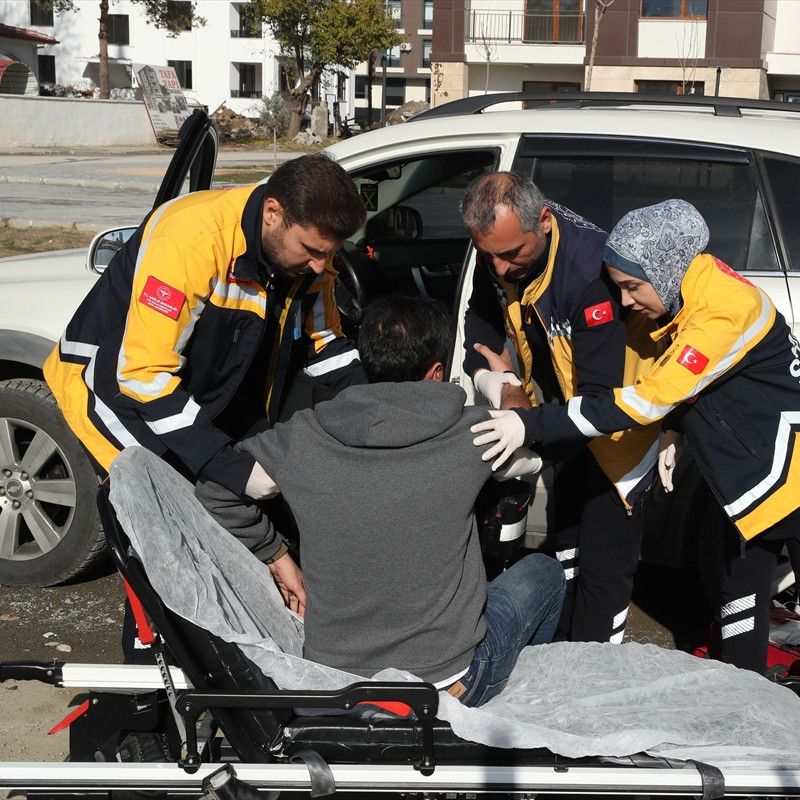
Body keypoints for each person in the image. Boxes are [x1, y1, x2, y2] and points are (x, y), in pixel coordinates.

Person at [470, 199, 800, 771]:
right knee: (738, 606)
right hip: (753, 483)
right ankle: (743, 733)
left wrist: (531, 424)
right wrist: (675, 430)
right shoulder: (689, 285)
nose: (625, 302)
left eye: (631, 287)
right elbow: (696, 385)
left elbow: (648, 397)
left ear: (663, 270)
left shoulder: (725, 311)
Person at [44, 152, 368, 651]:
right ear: (274, 212)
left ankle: (229, 658)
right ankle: (153, 677)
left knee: (223, 530)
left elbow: (325, 346)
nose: (323, 266)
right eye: (312, 251)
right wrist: (226, 465)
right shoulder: (192, 238)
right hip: (116, 397)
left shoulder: (305, 256)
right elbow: (143, 375)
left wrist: (375, 414)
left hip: (196, 396)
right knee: (167, 544)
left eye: (331, 253)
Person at [197, 296, 564, 706]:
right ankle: (506, 708)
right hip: (447, 688)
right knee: (545, 573)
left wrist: (276, 555)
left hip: (334, 690)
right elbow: (530, 436)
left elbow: (217, 489)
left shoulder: (301, 437)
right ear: (436, 373)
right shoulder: (473, 434)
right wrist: (507, 382)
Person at [460, 171, 662, 644]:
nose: (500, 269)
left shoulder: (591, 277)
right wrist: (499, 382)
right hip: (565, 421)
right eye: (488, 255)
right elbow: (481, 320)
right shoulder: (499, 250)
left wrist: (530, 438)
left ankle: (593, 679)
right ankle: (559, 663)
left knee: (602, 578)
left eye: (511, 254)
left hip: (618, 438)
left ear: (545, 221)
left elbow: (598, 404)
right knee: (567, 557)